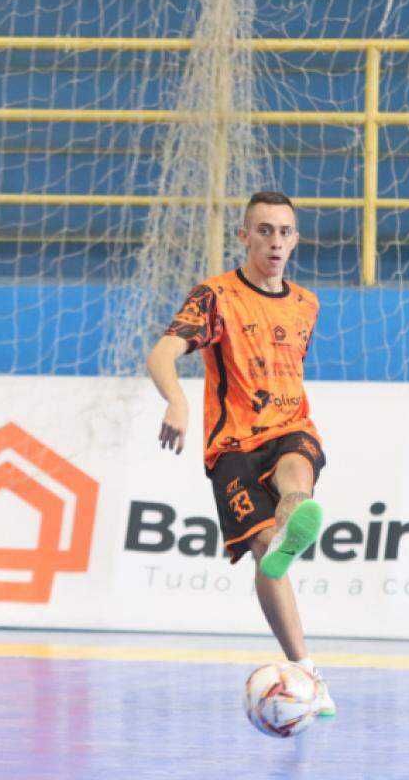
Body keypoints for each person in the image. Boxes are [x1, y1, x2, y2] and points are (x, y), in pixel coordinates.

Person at [147, 190, 335, 716]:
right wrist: (178, 400)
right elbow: (163, 353)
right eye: (264, 231)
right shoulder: (216, 296)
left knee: (297, 475)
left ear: (295, 240)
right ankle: (308, 672)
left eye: (284, 232)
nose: (275, 241)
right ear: (244, 236)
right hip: (231, 446)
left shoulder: (306, 303)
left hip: (291, 427)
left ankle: (293, 524)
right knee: (264, 553)